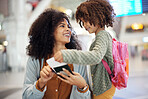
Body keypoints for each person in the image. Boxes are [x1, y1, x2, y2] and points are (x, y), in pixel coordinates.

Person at [22, 8, 91, 99]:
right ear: (49, 31)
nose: (68, 30)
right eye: (62, 26)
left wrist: (82, 86)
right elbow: (26, 96)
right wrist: (41, 82)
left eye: (68, 26)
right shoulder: (35, 59)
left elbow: (87, 97)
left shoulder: (77, 59)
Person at [54, 0, 116, 98]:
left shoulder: (103, 35)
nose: (85, 25)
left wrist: (66, 55)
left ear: (98, 16)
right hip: (101, 88)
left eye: (86, 20)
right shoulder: (99, 37)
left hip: (104, 89)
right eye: (83, 22)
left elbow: (95, 57)